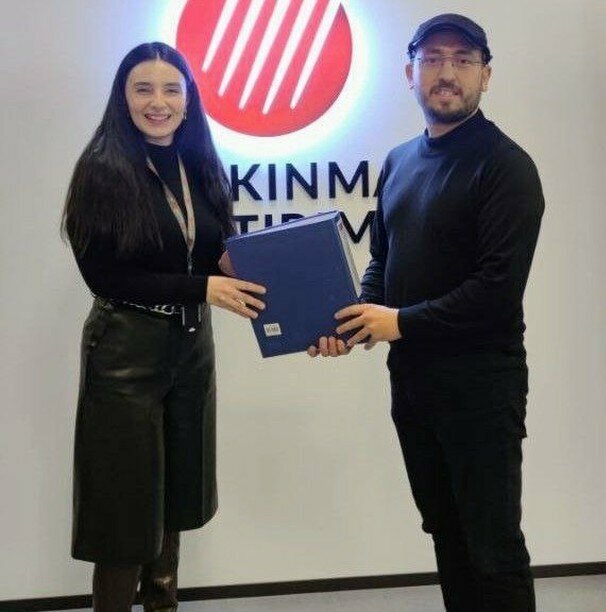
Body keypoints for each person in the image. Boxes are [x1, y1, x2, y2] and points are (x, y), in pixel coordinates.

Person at [310, 14, 544, 612]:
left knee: (492, 549)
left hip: (481, 389)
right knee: (446, 534)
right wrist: (348, 322)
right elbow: (383, 262)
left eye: (463, 60)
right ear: (409, 72)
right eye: (434, 59)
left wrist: (400, 323)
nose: (447, 72)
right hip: (413, 386)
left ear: (485, 76)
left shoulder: (506, 167)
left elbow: (496, 290)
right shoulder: (399, 161)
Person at [62, 42, 266, 612]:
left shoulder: (199, 162)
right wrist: (202, 287)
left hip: (191, 348)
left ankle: (162, 604)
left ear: (188, 98)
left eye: (172, 89)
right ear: (123, 97)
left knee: (176, 494)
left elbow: (213, 251)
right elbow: (105, 276)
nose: (159, 102)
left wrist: (259, 268)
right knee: (123, 510)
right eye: (143, 89)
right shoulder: (101, 169)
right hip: (125, 351)